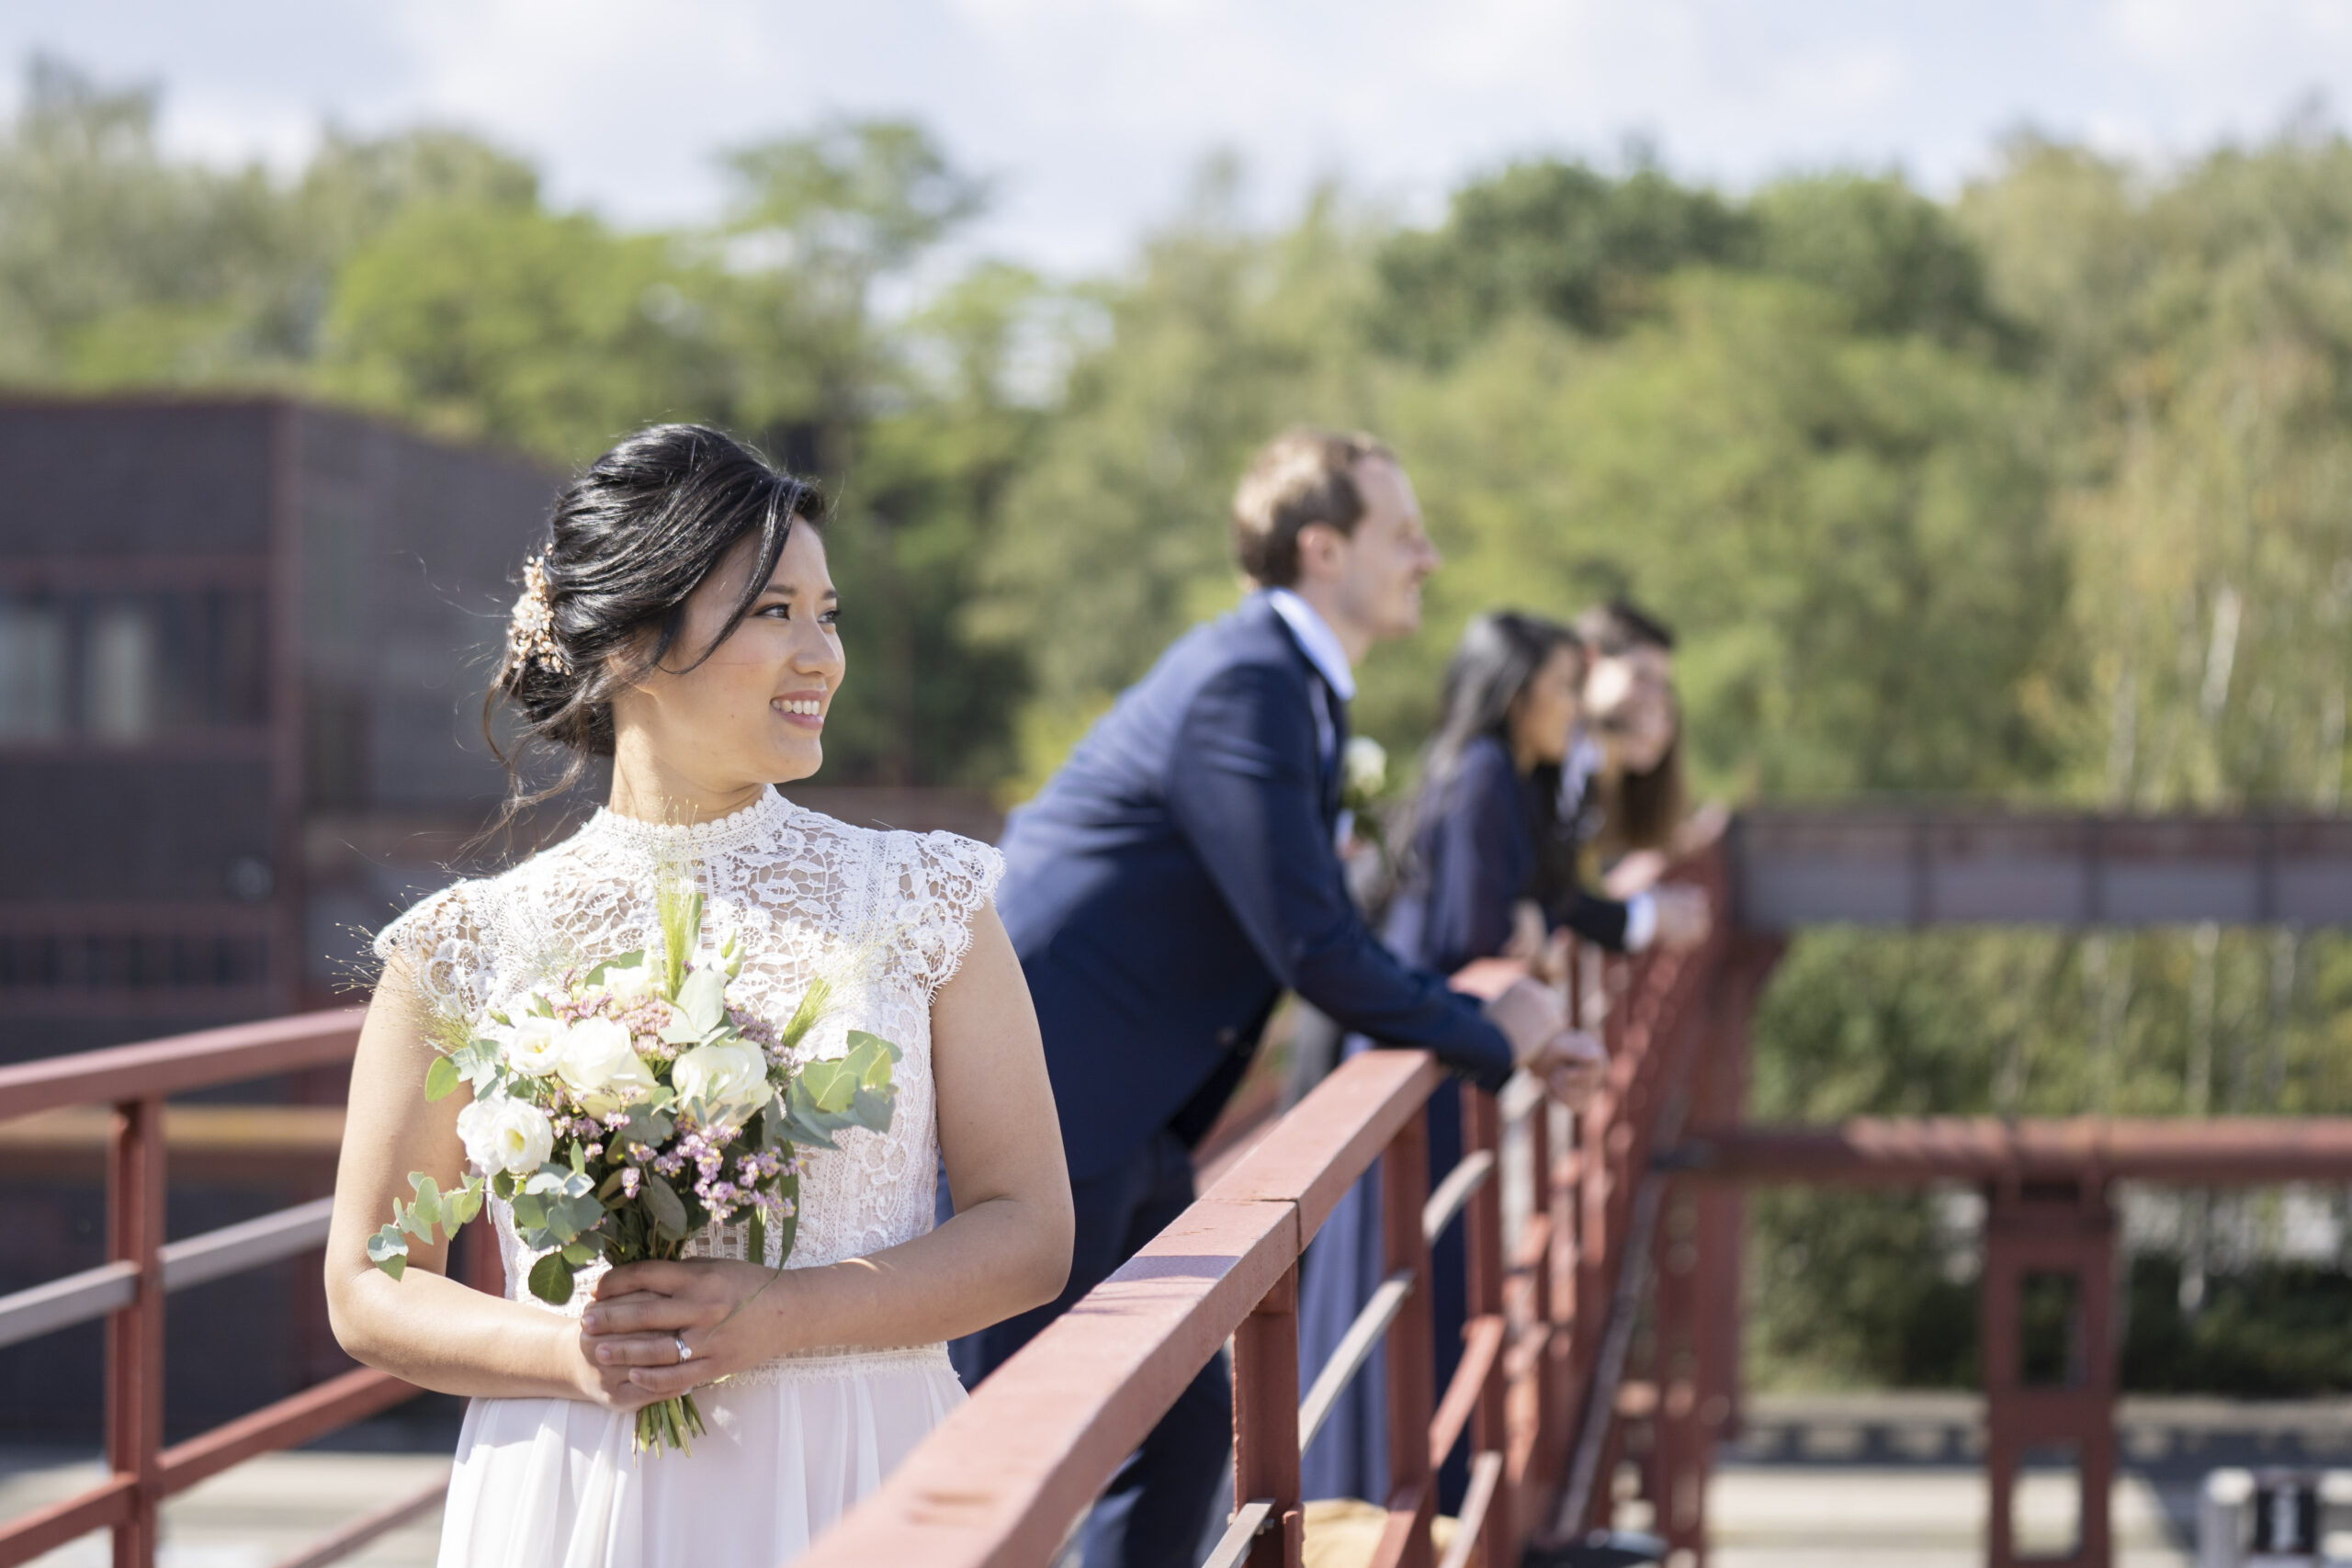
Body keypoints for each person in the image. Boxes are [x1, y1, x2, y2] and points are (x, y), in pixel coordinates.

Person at [323, 425, 1075, 1568]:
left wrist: (782, 1314)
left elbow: (1028, 1231)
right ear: (633, 642)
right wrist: (574, 1354)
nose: (820, 657)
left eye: (828, 615)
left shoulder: (923, 899)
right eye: (774, 612)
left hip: (855, 1466)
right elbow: (370, 1285)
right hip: (579, 1487)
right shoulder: (463, 947)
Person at [964, 431, 1605, 1568]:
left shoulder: (1288, 682)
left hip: (1130, 1103)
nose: (1428, 558)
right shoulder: (1247, 683)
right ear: (1322, 549)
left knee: (1177, 1442)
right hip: (1051, 1099)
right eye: (1403, 536)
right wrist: (1491, 1034)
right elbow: (1313, 943)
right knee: (994, 1463)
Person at [1297, 610, 1702, 1508]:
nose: (1576, 706)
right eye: (1563, 687)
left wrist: (1534, 924)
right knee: (1405, 1278)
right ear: (1518, 697)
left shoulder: (1509, 774)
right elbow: (1468, 934)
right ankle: (1380, 1502)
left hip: (1445, 1047)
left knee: (1424, 1277)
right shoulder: (1482, 774)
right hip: (1421, 1057)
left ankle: (1405, 1497)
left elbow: (1525, 904)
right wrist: (1525, 935)